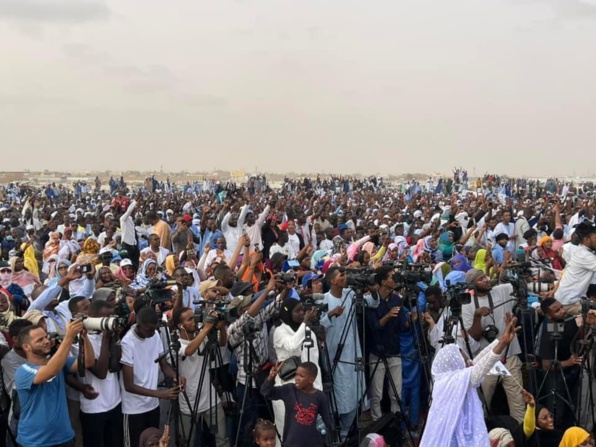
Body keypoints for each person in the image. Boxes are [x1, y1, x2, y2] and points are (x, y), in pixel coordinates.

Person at [419, 314, 520, 447]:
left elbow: (477, 362)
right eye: (463, 358)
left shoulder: (448, 379)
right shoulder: (455, 381)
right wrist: (502, 344)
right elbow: (479, 369)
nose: (468, 360)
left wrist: (501, 339)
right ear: (454, 363)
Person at [15, 317, 95, 447]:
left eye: (46, 337)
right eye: (39, 340)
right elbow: (50, 371)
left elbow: (88, 361)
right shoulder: (23, 371)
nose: (46, 341)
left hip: (64, 437)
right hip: (35, 442)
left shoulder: (57, 363)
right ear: (26, 347)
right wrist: (69, 337)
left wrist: (84, 338)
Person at [462, 268, 526, 423]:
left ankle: (522, 438)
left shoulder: (502, 290)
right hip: (486, 360)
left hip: (509, 355)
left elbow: (522, 286)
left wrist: (514, 277)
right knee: (482, 405)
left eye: (485, 276)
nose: (485, 280)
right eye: (480, 279)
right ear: (472, 285)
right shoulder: (467, 304)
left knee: (518, 403)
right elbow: (473, 337)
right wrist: (477, 316)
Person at [120, 307, 185, 447]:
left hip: (153, 406)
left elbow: (164, 364)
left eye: (154, 329)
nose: (152, 333)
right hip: (134, 409)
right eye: (148, 330)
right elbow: (129, 385)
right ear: (138, 325)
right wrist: (161, 394)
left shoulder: (155, 334)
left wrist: (176, 376)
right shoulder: (127, 343)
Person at [172, 306, 229, 447]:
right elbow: (189, 350)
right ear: (180, 325)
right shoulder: (176, 343)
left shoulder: (201, 336)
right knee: (188, 443)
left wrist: (221, 328)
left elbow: (222, 343)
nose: (195, 321)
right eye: (190, 319)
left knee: (222, 440)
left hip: (210, 399)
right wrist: (206, 328)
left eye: (195, 317)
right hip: (188, 403)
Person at [271, 298, 321, 446]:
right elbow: (292, 345)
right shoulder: (279, 331)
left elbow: (313, 361)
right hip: (285, 389)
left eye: (302, 310)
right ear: (287, 313)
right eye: (297, 311)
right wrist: (305, 322)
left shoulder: (305, 331)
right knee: (286, 432)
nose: (301, 314)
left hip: (304, 391)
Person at [261, 361, 333, 447]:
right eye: (296, 375)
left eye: (301, 376)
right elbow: (266, 392)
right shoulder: (290, 390)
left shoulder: (320, 397)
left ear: (311, 379)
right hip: (291, 443)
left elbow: (327, 422)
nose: (297, 378)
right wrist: (271, 378)